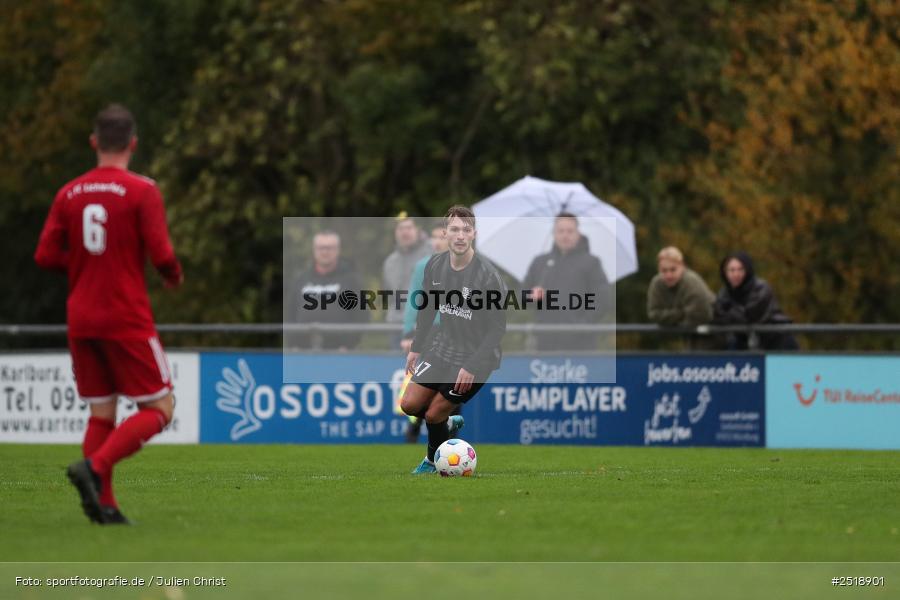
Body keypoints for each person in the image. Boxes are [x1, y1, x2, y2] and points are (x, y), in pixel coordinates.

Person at [34, 104, 183, 525]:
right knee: (160, 407)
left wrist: (84, 265)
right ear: (133, 144)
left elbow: (45, 255)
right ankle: (96, 469)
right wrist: (173, 275)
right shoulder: (142, 190)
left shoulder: (68, 192)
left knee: (102, 413)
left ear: (94, 142)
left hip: (81, 316)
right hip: (124, 314)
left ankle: (106, 506)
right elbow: (163, 254)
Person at [400, 205, 507, 474]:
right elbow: (427, 310)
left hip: (477, 358)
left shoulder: (488, 277)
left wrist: (471, 366)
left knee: (434, 414)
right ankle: (448, 426)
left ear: (474, 234)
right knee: (409, 405)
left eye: (466, 230)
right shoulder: (435, 266)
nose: (460, 235)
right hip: (443, 347)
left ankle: (431, 462)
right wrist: (416, 348)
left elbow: (497, 331)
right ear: (445, 233)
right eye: (455, 229)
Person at [522, 212, 611, 351]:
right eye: (561, 231)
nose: (565, 235)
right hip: (545, 343)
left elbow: (603, 300)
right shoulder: (540, 263)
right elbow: (521, 297)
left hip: (581, 345)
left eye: (570, 231)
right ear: (554, 233)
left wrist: (582, 325)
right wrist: (531, 296)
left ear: (578, 234)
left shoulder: (591, 263)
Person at [400, 222, 451, 443]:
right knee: (426, 382)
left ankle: (449, 427)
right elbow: (415, 299)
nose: (437, 241)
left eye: (441, 237)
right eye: (434, 237)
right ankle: (415, 426)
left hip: (456, 331)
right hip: (431, 330)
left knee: (452, 382)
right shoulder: (424, 265)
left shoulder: (466, 268)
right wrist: (408, 332)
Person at [288, 231, 367, 350]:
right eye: (321, 248)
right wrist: (293, 344)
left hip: (341, 352)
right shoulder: (301, 279)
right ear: (314, 250)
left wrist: (349, 345)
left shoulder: (351, 280)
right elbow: (290, 314)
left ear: (337, 250)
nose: (325, 252)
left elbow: (361, 316)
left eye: (329, 248)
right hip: (303, 351)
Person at [712, 252, 799, 350]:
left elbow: (748, 318)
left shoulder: (761, 288)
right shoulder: (724, 293)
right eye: (731, 270)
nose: (736, 274)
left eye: (740, 269)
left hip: (776, 341)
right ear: (725, 273)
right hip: (746, 343)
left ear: (748, 270)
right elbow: (718, 318)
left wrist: (729, 309)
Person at [382, 214, 431, 349]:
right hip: (396, 326)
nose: (405, 232)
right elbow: (388, 296)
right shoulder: (390, 262)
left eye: (409, 227)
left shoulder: (431, 254)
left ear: (418, 230)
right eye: (400, 228)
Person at [647, 246, 715, 328]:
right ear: (658, 269)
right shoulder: (656, 283)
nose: (669, 275)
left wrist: (674, 318)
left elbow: (700, 315)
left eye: (673, 269)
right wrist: (681, 313)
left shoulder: (691, 281)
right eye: (664, 270)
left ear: (682, 266)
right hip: (686, 331)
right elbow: (654, 314)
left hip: (712, 328)